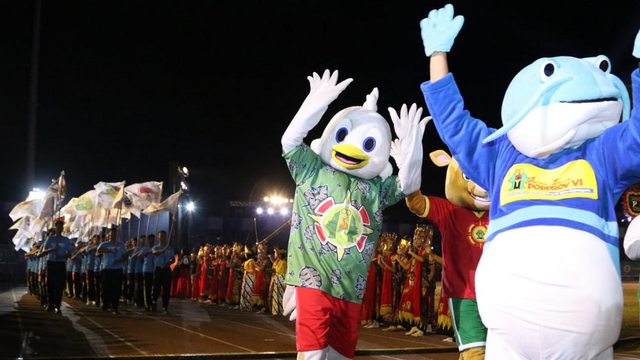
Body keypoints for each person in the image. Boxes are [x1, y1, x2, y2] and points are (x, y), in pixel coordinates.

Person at [418, 4, 640, 358]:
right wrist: (437, 55)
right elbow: (454, 125)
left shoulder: (600, 153)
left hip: (583, 333)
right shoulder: (502, 153)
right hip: (509, 331)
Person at [281, 69, 427, 360]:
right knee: (312, 353)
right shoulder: (312, 169)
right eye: (344, 135)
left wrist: (412, 148)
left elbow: (409, 184)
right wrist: (315, 105)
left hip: (351, 287)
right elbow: (290, 143)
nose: (351, 148)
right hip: (313, 280)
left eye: (370, 144)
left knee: (340, 355)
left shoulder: (376, 189)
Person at [405, 149, 489, 357]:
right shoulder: (448, 210)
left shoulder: (503, 210)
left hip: (502, 293)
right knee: (476, 351)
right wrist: (409, 171)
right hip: (465, 293)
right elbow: (417, 203)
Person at [397, 224, 436, 337]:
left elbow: (422, 260)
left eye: (418, 239)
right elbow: (406, 267)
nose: (415, 240)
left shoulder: (423, 251)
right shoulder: (415, 252)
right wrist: (398, 258)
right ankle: (415, 325)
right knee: (412, 304)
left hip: (422, 282)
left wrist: (411, 254)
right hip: (413, 282)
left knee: (421, 304)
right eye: (414, 239)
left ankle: (422, 328)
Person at [38, 220, 72, 314]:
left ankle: (57, 304)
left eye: (61, 228)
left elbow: (69, 254)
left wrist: (61, 256)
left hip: (60, 264)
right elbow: (43, 251)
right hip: (51, 263)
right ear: (55, 228)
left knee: (60, 285)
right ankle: (50, 303)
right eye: (58, 227)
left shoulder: (66, 240)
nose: (59, 229)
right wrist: (52, 249)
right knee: (50, 284)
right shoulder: (50, 239)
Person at [97, 226, 128, 314]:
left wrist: (118, 260)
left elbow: (125, 255)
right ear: (108, 235)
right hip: (106, 269)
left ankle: (115, 306)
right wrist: (110, 249)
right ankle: (105, 303)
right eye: (111, 234)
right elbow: (99, 250)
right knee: (106, 288)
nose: (113, 235)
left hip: (117, 269)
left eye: (114, 234)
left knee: (116, 289)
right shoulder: (104, 244)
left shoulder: (120, 244)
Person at [151, 230, 174, 314]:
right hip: (158, 269)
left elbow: (173, 259)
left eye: (163, 236)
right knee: (157, 287)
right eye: (160, 236)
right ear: (158, 237)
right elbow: (154, 253)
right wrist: (163, 250)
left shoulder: (170, 248)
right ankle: (154, 301)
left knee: (166, 288)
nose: (162, 237)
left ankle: (165, 306)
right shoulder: (155, 247)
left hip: (166, 269)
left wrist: (168, 263)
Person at [269, 247, 287, 315]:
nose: (276, 255)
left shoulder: (284, 262)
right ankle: (276, 310)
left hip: (281, 279)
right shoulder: (278, 262)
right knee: (276, 295)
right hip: (277, 279)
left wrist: (274, 271)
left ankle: (282, 310)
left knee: (281, 295)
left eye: (277, 254)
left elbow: (280, 271)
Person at [240, 245, 257, 312]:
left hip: (250, 278)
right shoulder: (247, 261)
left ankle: (248, 306)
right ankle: (243, 305)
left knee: (248, 291)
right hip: (246, 277)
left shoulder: (251, 261)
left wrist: (246, 270)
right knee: (244, 291)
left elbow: (253, 270)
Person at [141, 234, 155, 311]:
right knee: (147, 287)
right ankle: (147, 303)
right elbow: (140, 255)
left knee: (154, 287)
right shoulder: (145, 248)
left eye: (153, 239)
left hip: (154, 270)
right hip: (147, 270)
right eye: (151, 239)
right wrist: (149, 252)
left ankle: (152, 302)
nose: (152, 241)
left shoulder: (155, 248)